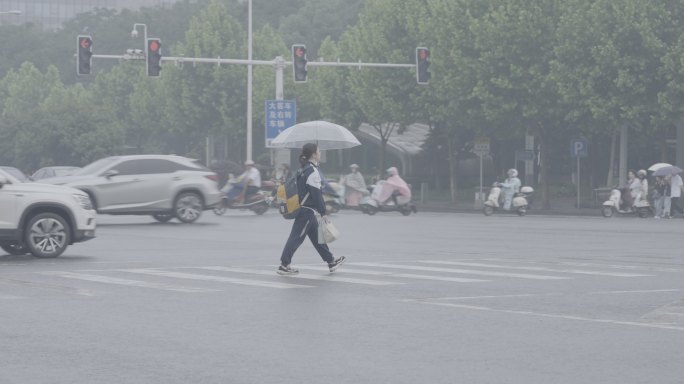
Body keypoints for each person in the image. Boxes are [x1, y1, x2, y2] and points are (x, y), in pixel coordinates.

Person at [278, 143, 346, 275]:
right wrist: (323, 212)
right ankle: (284, 265)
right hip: (307, 211)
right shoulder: (312, 171)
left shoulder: (302, 169)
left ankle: (331, 262)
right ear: (314, 154)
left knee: (317, 238)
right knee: (296, 237)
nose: (320, 154)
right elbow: (316, 194)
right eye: (319, 152)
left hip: (305, 209)